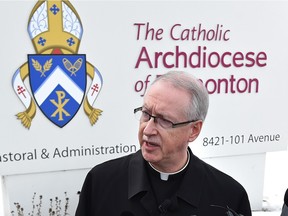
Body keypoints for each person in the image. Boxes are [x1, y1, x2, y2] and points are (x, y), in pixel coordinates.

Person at [75, 71, 252, 216]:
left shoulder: (229, 197)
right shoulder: (101, 182)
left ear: (194, 130)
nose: (148, 129)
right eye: (146, 114)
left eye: (164, 120)